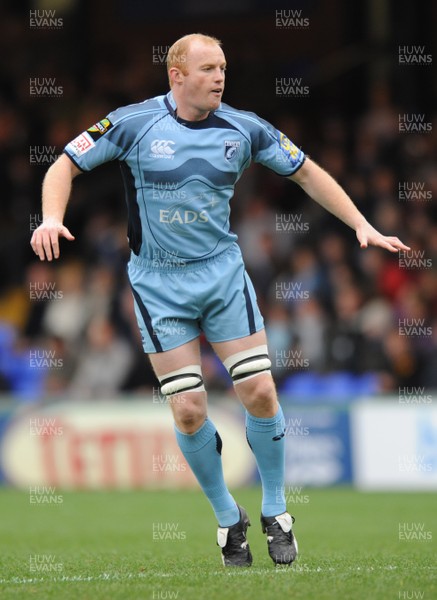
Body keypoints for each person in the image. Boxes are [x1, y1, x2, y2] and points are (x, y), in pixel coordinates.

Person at [30, 33, 410, 567]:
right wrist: (51, 217)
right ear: (176, 75)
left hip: (221, 275)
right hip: (157, 283)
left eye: (223, 68)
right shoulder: (133, 123)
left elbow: (305, 169)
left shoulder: (245, 127)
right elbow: (64, 164)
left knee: (257, 390)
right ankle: (228, 518)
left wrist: (361, 224)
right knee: (188, 408)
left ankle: (277, 511)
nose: (219, 77)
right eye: (208, 68)